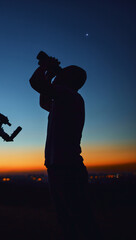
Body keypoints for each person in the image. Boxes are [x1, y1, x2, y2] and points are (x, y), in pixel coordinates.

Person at [29, 54, 100, 240]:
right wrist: (50, 74)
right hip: (59, 167)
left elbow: (35, 83)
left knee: (79, 220)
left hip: (67, 168)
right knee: (69, 220)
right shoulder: (63, 100)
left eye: (63, 74)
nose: (59, 76)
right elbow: (43, 101)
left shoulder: (69, 96)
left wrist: (45, 67)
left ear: (70, 80)